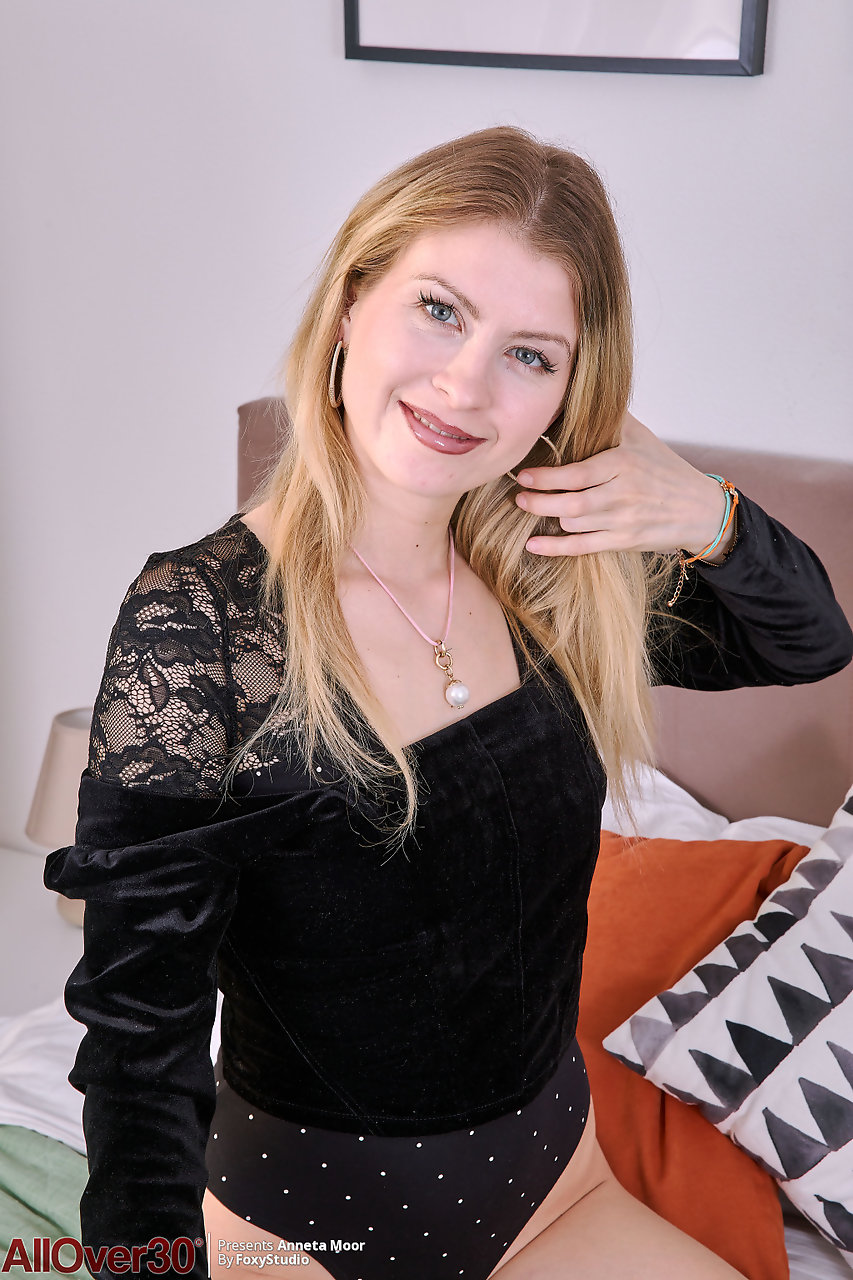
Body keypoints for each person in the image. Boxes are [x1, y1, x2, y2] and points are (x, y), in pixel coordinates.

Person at [46, 126, 852, 1280]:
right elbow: (138, 1041)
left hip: (558, 1189)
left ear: (569, 390)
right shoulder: (203, 622)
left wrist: (706, 511)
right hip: (304, 1230)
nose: (465, 386)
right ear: (351, 302)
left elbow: (807, 639)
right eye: (438, 310)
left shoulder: (554, 574)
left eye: (530, 354)